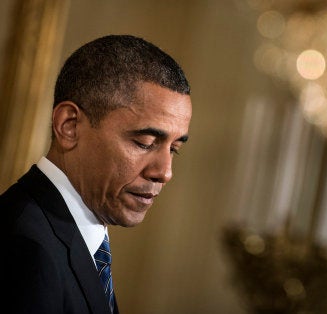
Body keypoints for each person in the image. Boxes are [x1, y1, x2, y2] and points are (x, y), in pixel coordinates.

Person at [0, 34, 192, 314]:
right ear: (69, 126)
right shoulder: (23, 249)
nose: (164, 173)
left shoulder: (67, 236)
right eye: (145, 143)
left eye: (173, 149)